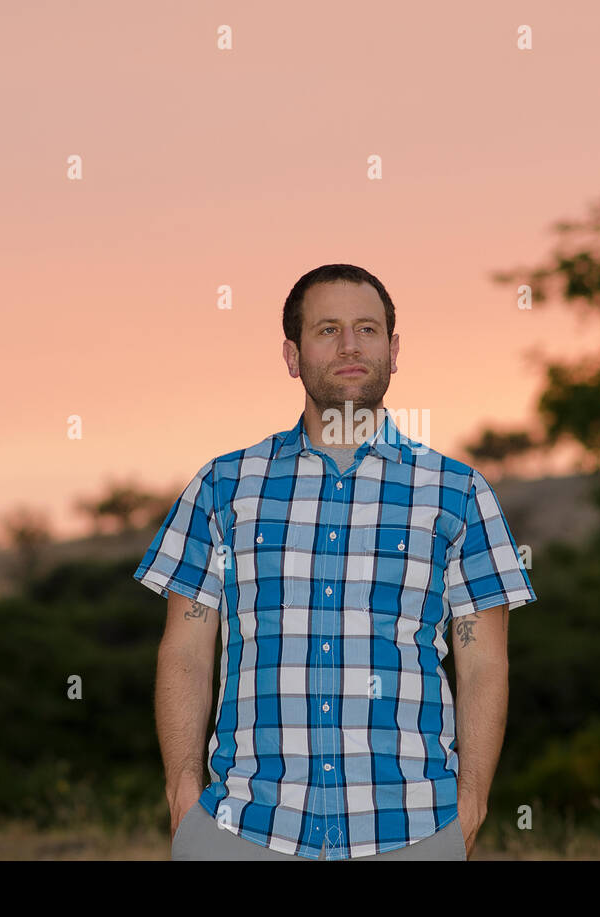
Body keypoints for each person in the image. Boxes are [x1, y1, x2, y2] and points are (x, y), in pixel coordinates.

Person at [134, 264, 536, 860]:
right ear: (293, 356)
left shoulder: (458, 492)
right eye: (327, 330)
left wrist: (470, 805)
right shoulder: (224, 486)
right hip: (244, 828)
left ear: (394, 350)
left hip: (413, 829)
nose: (350, 345)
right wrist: (183, 799)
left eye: (367, 329)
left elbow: (484, 662)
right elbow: (187, 650)